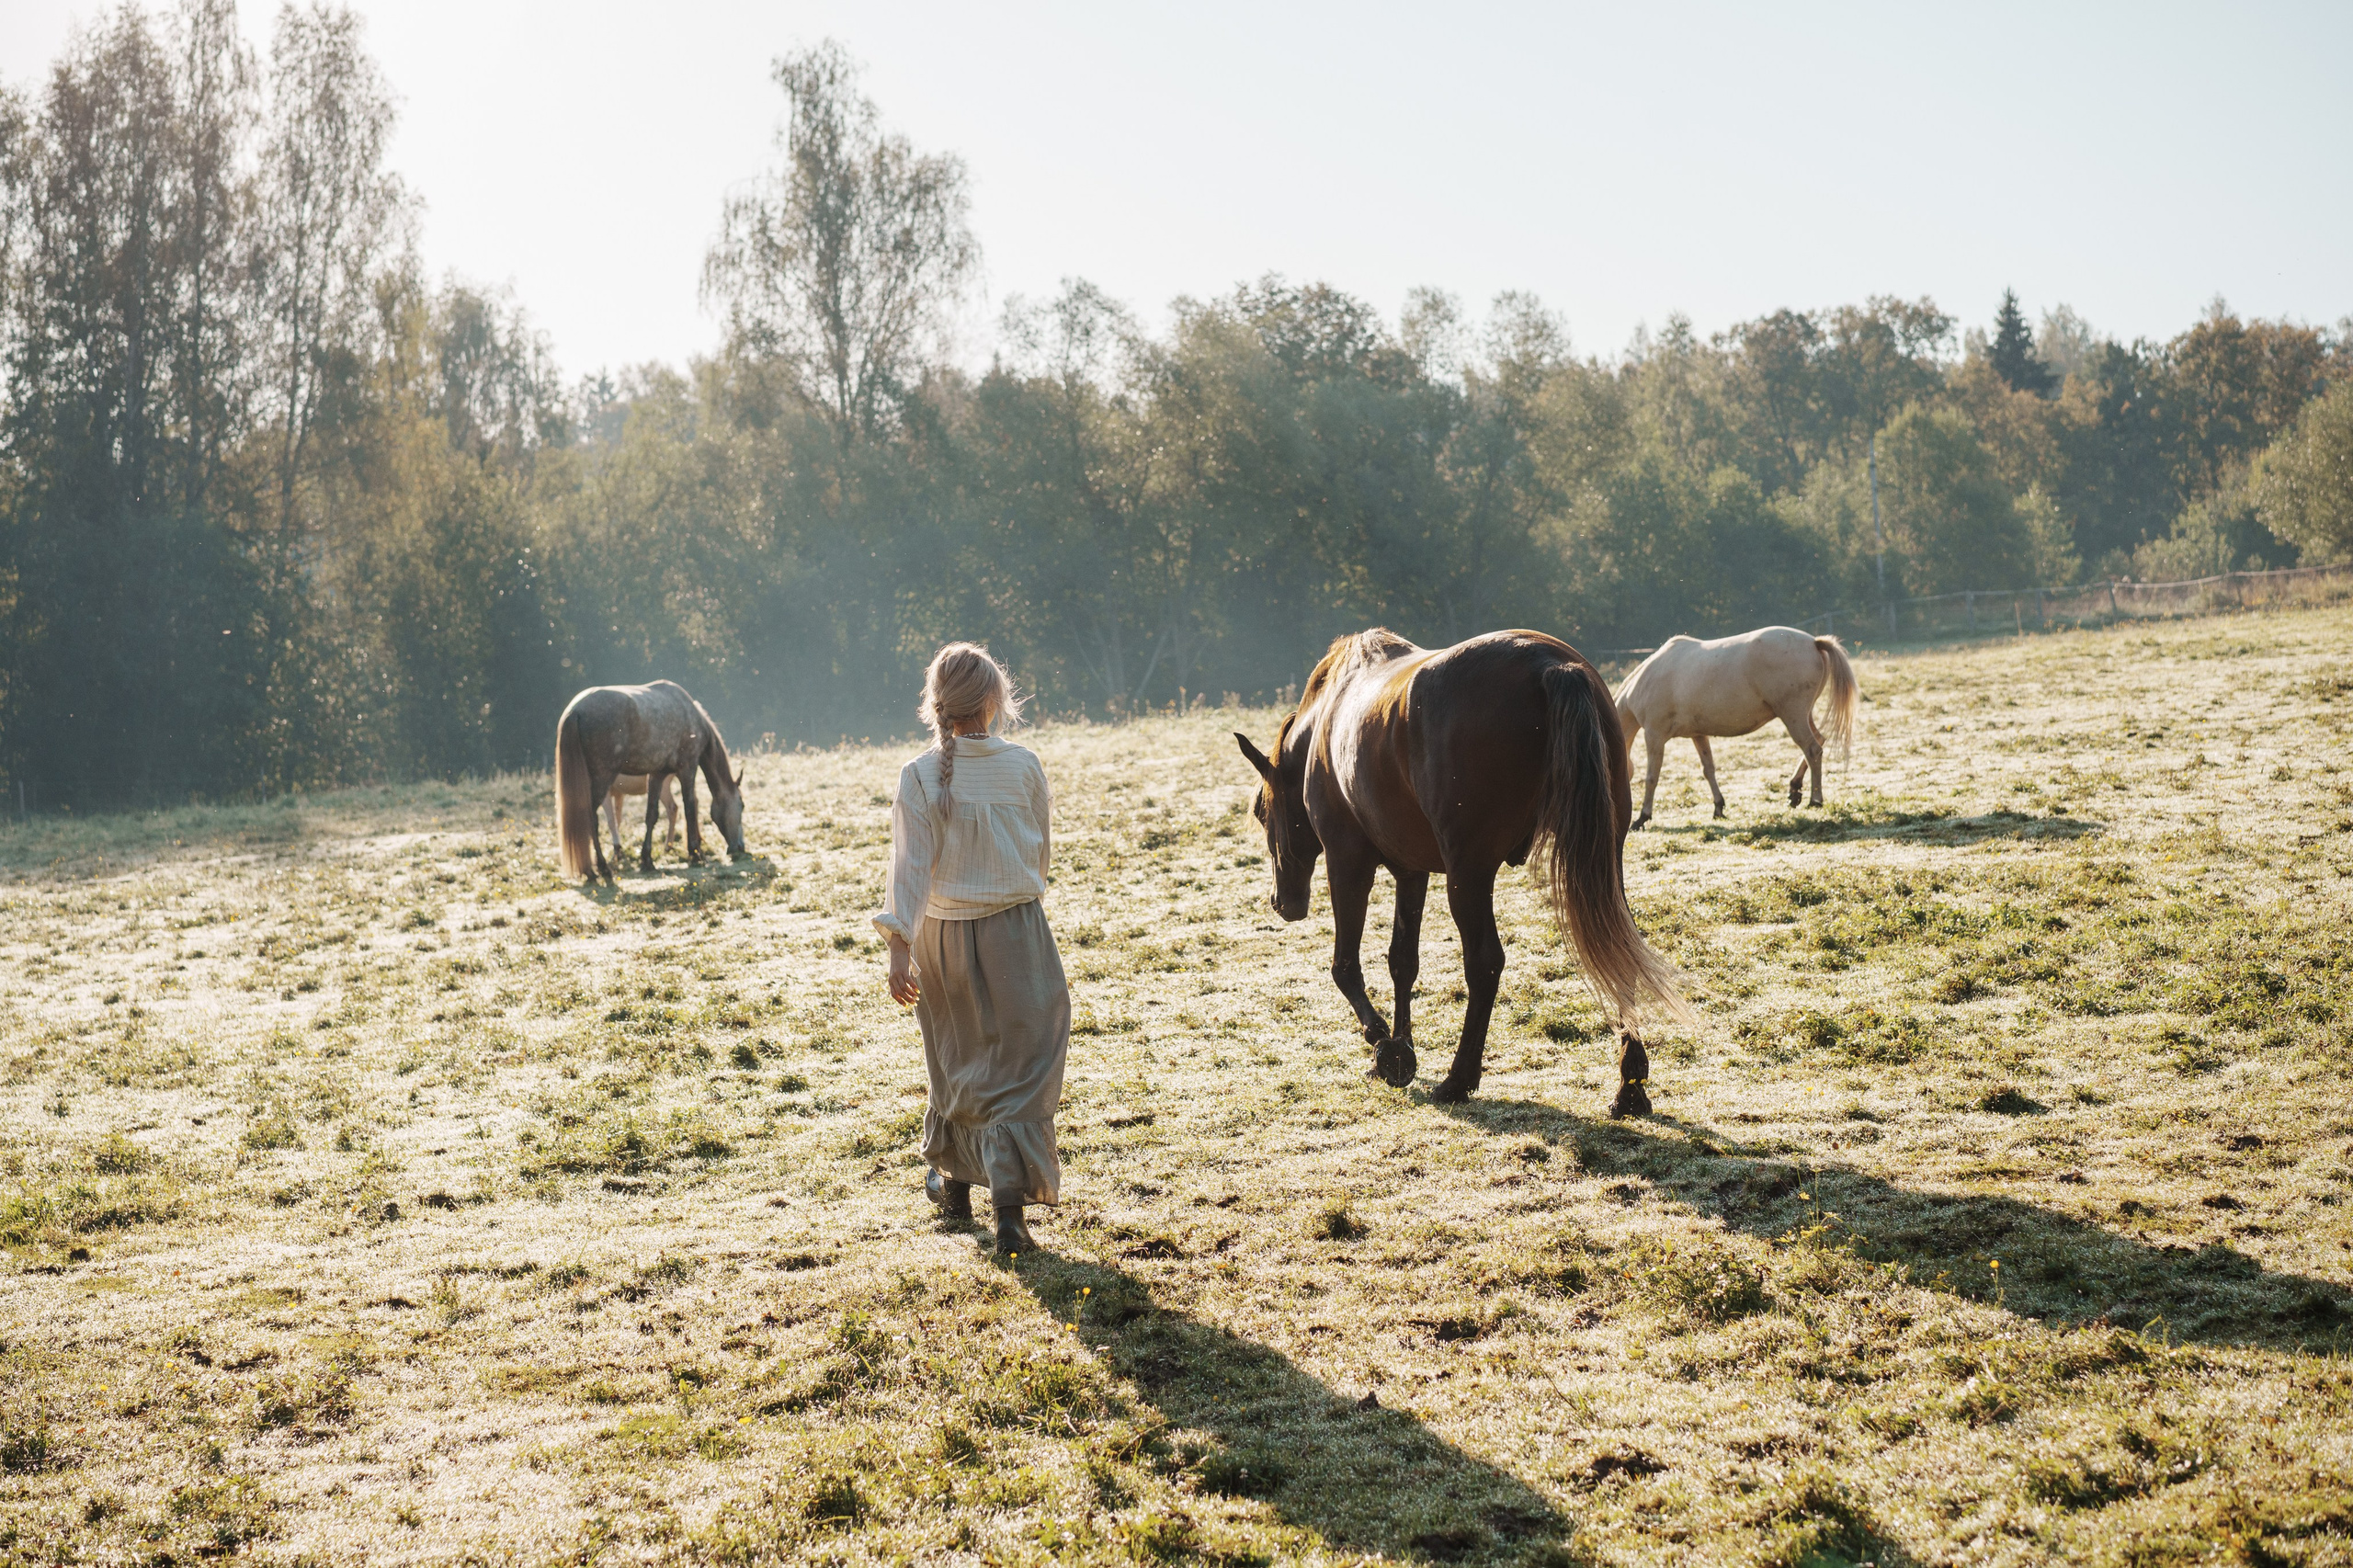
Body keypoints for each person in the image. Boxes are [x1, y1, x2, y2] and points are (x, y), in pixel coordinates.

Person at [872, 642, 1069, 1255]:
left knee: (957, 1059)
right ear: (993, 701)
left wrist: (899, 948)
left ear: (936, 706)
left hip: (940, 937)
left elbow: (909, 872)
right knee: (1022, 1067)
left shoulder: (917, 774)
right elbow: (1040, 856)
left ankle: (954, 1187)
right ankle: (1008, 1213)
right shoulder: (1024, 766)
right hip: (1017, 931)